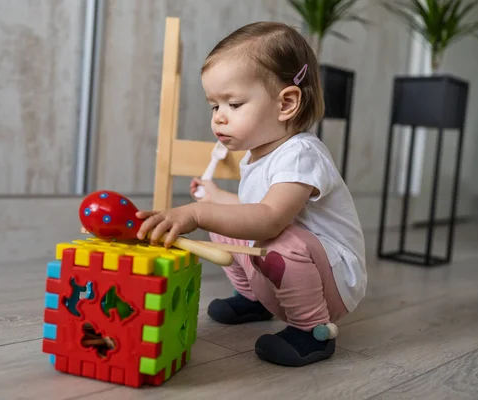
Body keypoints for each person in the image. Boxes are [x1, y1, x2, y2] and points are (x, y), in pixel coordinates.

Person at [136, 21, 366, 367]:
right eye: (215, 106)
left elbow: (269, 219)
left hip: (333, 280)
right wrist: (214, 198)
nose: (219, 119)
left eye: (234, 104)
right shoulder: (259, 154)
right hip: (296, 266)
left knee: (276, 239)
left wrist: (196, 214)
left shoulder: (301, 153)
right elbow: (253, 210)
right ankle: (253, 300)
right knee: (226, 221)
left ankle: (312, 331)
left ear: (286, 103)